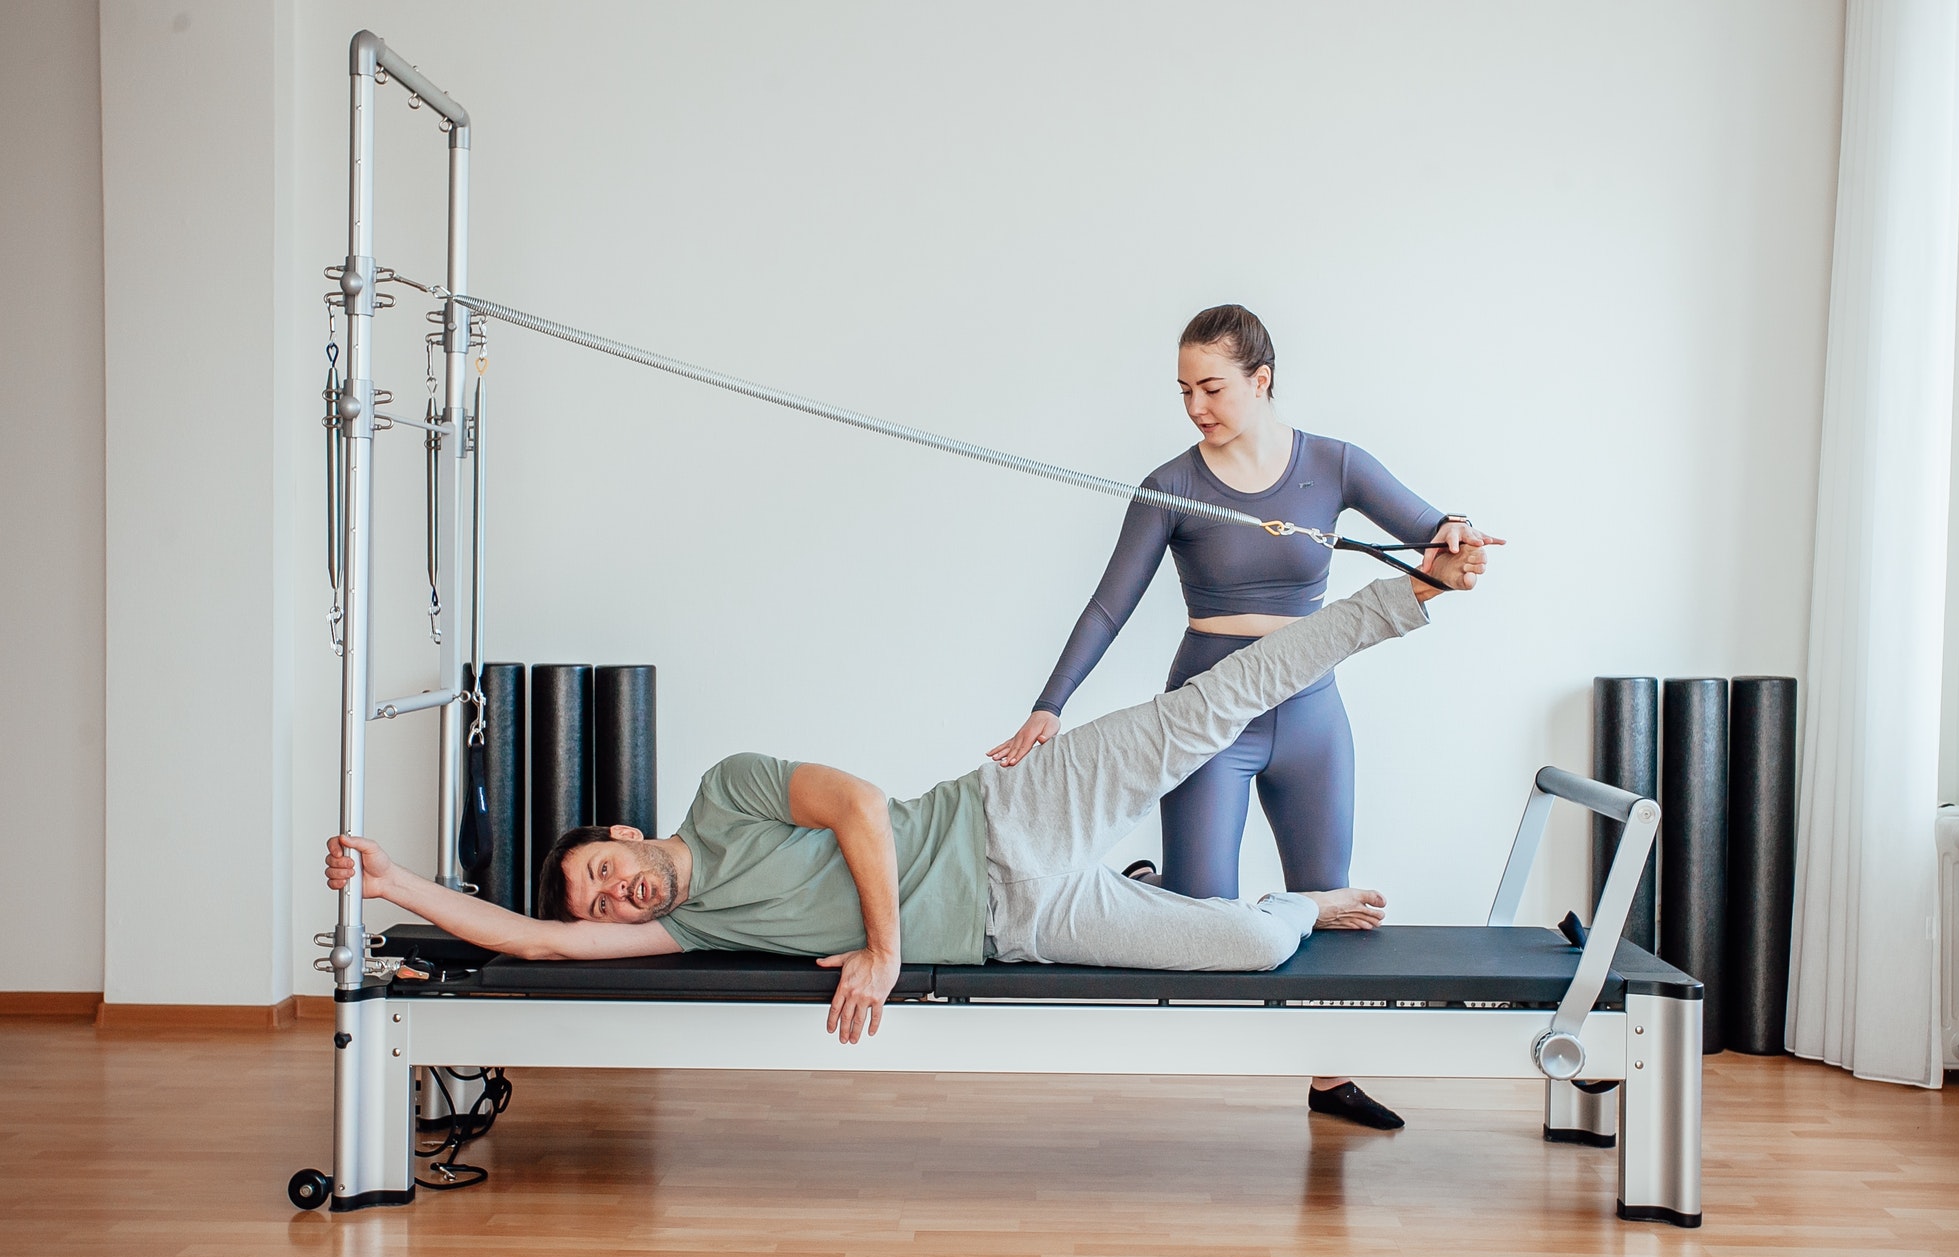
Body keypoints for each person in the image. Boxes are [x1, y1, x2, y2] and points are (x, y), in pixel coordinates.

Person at [327, 545, 1485, 1054]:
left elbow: (865, 808)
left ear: (623, 836)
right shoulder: (687, 927)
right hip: (1017, 925)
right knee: (1247, 947)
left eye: (597, 873)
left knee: (1211, 707)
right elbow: (529, 943)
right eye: (602, 908)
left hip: (1008, 816)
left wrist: (878, 950)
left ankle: (1408, 595)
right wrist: (392, 884)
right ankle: (1308, 901)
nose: (612, 897)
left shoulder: (724, 792)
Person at [986, 305, 1502, 1129]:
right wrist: (1051, 704)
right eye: (1185, 389)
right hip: (1205, 716)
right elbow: (1106, 608)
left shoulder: (1334, 464)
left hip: (1309, 713)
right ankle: (1152, 887)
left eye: (1213, 387)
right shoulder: (1173, 485)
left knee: (1329, 900)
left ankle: (1330, 1079)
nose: (1197, 406)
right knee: (1201, 921)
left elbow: (1430, 529)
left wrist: (1460, 542)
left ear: (1262, 380)